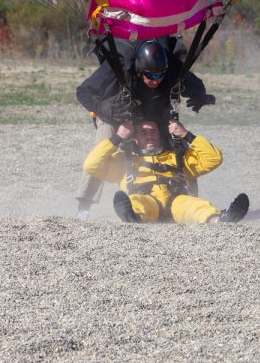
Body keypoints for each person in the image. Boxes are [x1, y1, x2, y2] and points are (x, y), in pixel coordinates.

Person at [74, 38, 215, 218]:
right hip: (115, 113)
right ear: (139, 69)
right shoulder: (119, 65)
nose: (156, 80)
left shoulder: (171, 66)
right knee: (103, 145)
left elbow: (194, 82)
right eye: (150, 75)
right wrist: (102, 108)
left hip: (154, 113)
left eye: (160, 75)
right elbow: (83, 92)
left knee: (179, 144)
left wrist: (199, 95)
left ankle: (186, 199)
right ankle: (84, 207)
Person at [83, 118, 249, 224]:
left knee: (195, 206)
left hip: (176, 201)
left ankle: (219, 219)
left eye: (153, 131)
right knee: (136, 203)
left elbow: (214, 158)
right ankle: (131, 217)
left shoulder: (177, 157)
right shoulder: (124, 161)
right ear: (134, 137)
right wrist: (117, 138)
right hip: (145, 199)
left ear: (160, 135)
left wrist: (186, 135)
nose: (149, 136)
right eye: (143, 132)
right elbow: (91, 165)